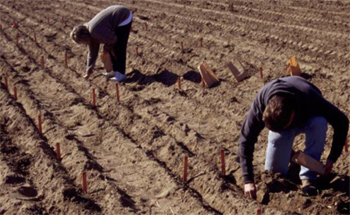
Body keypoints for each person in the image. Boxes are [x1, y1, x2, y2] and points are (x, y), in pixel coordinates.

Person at [239, 76, 348, 198]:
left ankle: (308, 177)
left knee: (319, 123)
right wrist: (247, 180)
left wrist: (332, 158)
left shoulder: (309, 97)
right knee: (274, 175)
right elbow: (246, 140)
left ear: (292, 116)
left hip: (309, 116)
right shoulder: (261, 103)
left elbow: (342, 121)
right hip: (285, 120)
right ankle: (288, 159)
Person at [70, 5, 132, 82]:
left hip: (123, 16)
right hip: (115, 15)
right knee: (110, 47)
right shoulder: (89, 33)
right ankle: (115, 71)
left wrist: (105, 49)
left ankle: (121, 74)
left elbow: (113, 39)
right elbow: (92, 53)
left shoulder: (95, 31)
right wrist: (89, 70)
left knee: (118, 47)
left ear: (84, 37)